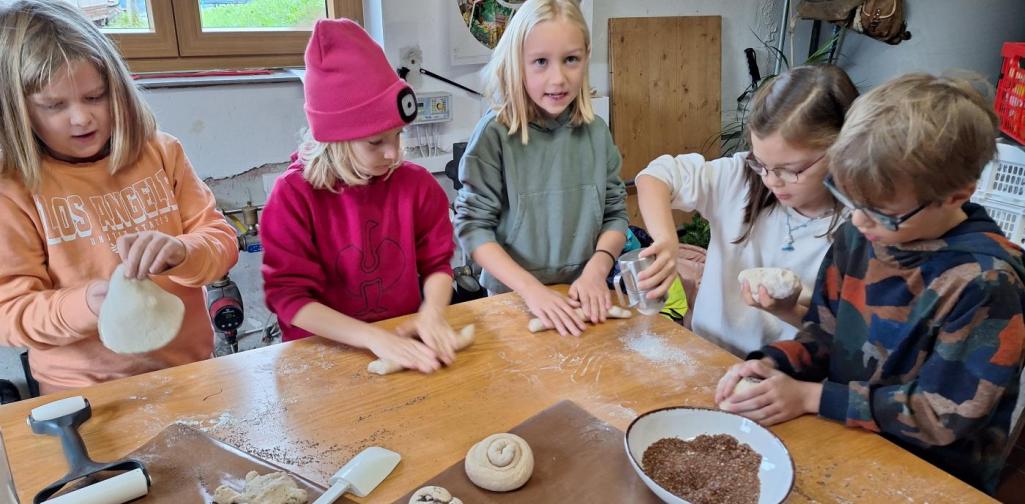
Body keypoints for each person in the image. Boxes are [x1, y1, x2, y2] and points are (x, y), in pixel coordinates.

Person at [717, 73, 1025, 494]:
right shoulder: (859, 236)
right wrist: (774, 365)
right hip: (848, 438)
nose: (859, 221)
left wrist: (810, 397)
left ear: (956, 194)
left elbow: (943, 416)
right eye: (850, 199)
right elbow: (824, 331)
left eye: (882, 212)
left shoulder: (986, 282)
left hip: (933, 478)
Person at [0, 0, 238, 393]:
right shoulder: (14, 191)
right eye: (54, 105)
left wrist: (182, 252)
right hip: (85, 390)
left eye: (95, 96)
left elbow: (221, 242)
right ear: (16, 111)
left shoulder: (161, 153)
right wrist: (87, 304)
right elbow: (9, 313)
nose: (82, 117)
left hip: (190, 370)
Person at [261, 19, 457, 374]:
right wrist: (371, 337)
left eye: (398, 135)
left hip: (401, 344)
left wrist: (432, 312)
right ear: (334, 139)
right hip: (320, 358)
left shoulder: (416, 186)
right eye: (375, 142)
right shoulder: (294, 197)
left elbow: (437, 264)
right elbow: (289, 298)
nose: (393, 153)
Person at [635, 65, 858, 355]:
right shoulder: (740, 178)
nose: (772, 181)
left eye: (791, 170)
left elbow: (841, 338)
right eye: (761, 164)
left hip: (780, 373)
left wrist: (787, 310)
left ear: (843, 149)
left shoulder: (860, 225)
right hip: (706, 352)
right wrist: (666, 240)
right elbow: (655, 176)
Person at [454, 0, 628, 337]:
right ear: (517, 63)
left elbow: (615, 215)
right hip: (511, 298)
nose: (558, 78)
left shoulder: (596, 132)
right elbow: (473, 229)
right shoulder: (495, 135)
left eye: (571, 59)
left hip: (581, 295)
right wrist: (531, 290)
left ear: (586, 57)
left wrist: (597, 269)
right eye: (540, 62)